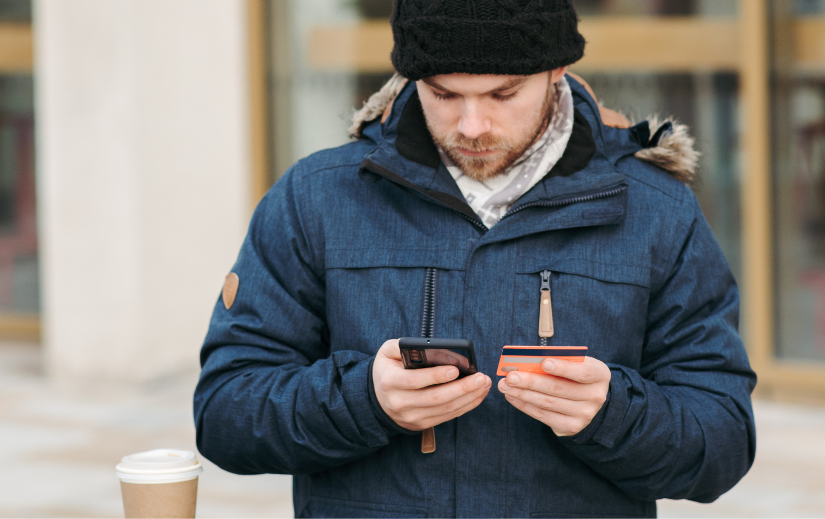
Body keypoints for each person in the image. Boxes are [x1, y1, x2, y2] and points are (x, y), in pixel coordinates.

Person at [193, 1, 756, 517]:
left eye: (502, 95)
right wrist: (363, 401)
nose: (472, 126)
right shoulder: (315, 197)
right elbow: (225, 413)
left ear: (556, 71)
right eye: (442, 94)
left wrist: (614, 416)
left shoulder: (656, 210)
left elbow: (722, 440)